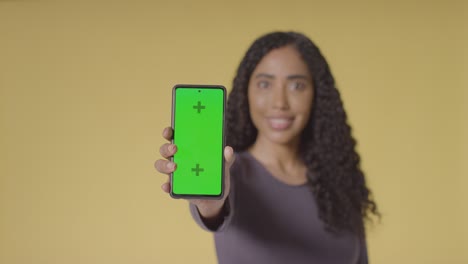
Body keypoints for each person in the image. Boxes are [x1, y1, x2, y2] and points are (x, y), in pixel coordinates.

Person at [154, 31, 379, 264]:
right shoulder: (231, 173)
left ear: (316, 95)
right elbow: (214, 212)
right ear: (246, 92)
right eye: (264, 84)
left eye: (297, 86)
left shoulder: (338, 177)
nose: (279, 102)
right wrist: (208, 202)